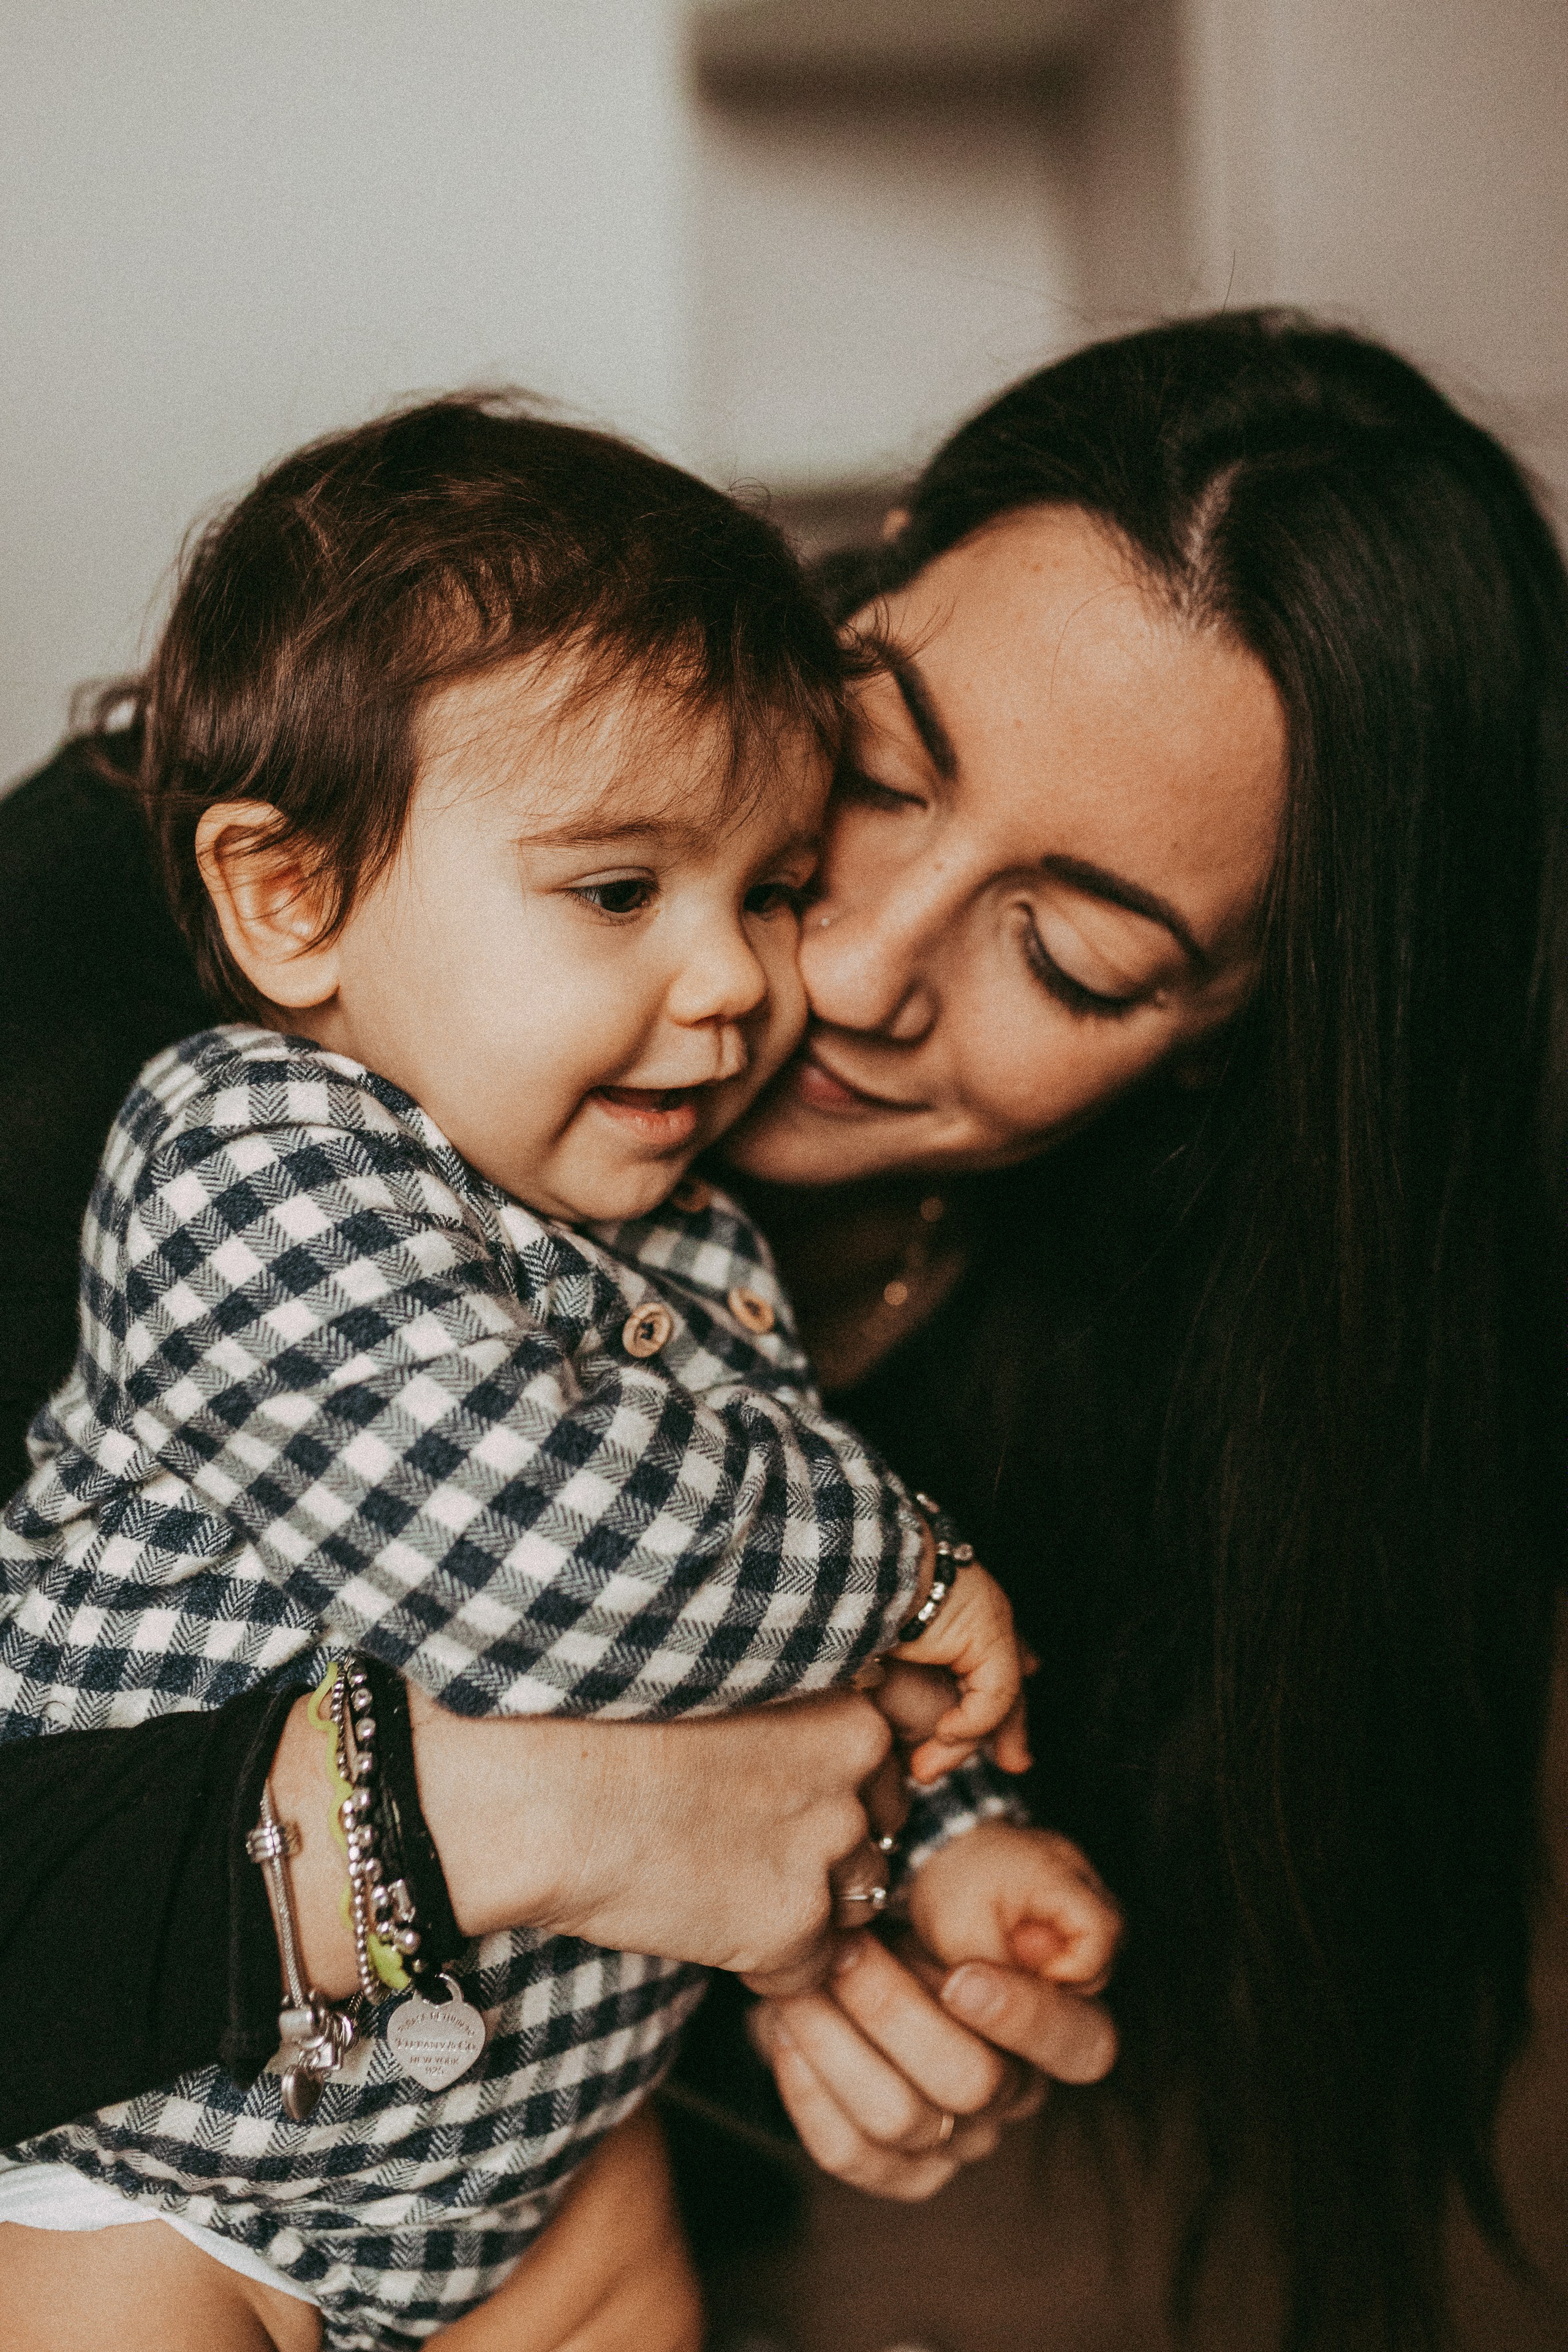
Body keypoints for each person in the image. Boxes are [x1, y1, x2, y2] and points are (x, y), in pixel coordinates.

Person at [4, 307, 1565, 2348]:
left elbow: (861, 1761)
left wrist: (887, 1909)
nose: (840, 970)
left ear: (1239, 1051)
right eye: (882, 773)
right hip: (145, 2163)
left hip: (513, 2179)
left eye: (1075, 959)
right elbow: (576, 1581)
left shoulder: (981, 1299)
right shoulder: (186, 1033)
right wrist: (528, 1820)